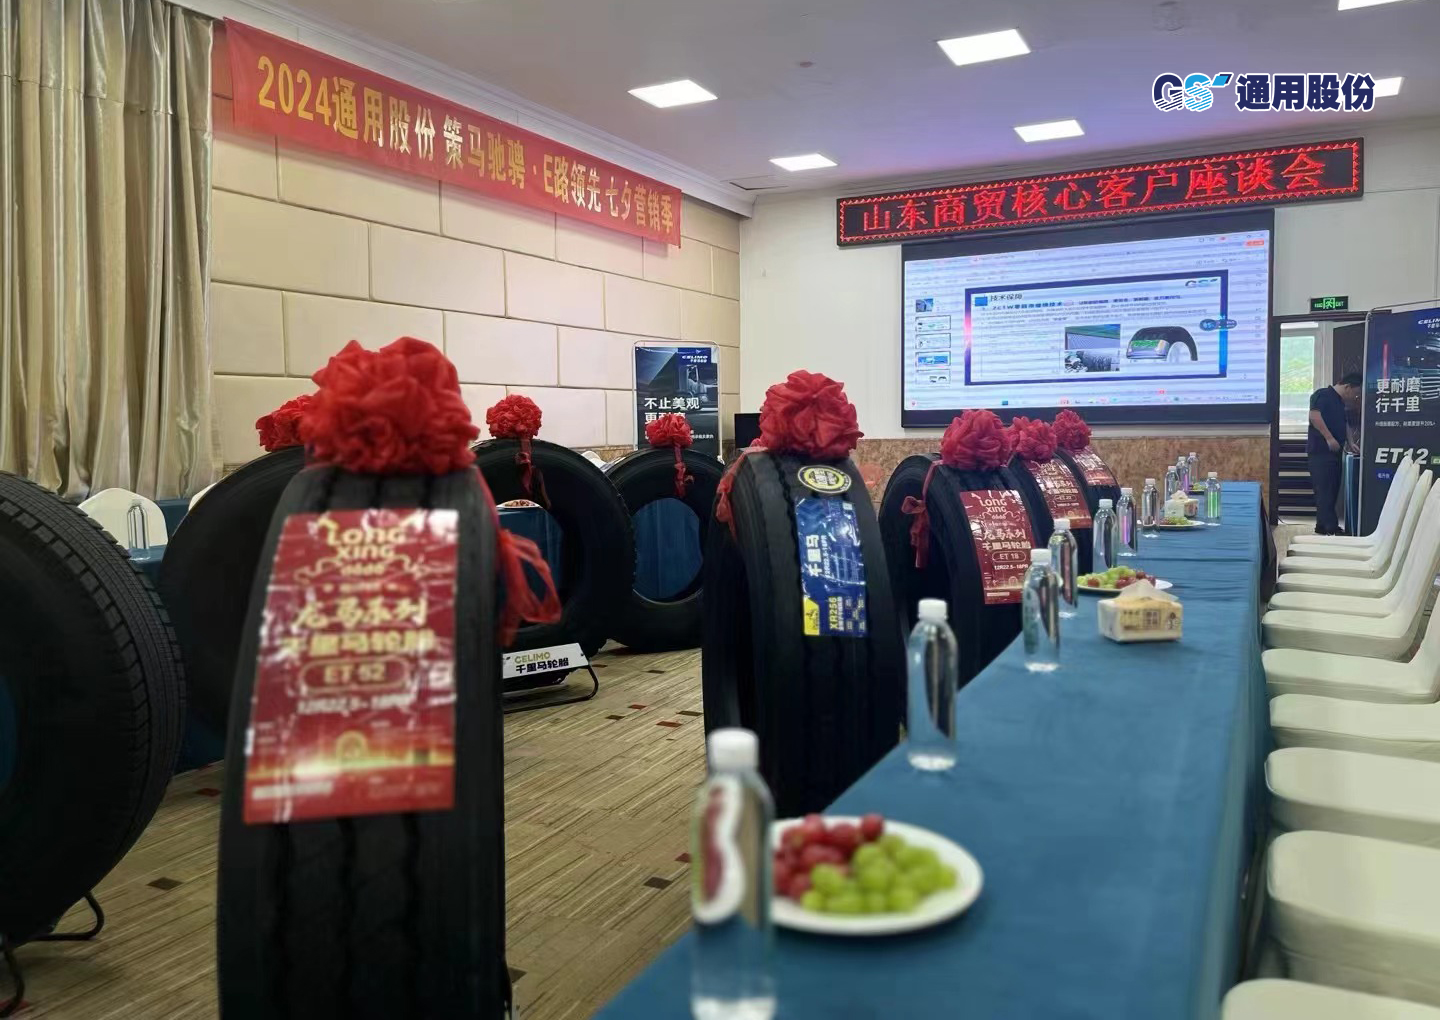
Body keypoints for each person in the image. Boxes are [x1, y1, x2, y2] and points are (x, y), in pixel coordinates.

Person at [1307, 372, 1363, 535]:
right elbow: (1314, 416)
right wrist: (1329, 438)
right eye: (1355, 393)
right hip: (1320, 452)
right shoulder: (1322, 395)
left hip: (1335, 453)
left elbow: (1345, 423)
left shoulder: (1340, 401)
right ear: (1348, 387)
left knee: (1332, 489)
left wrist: (1351, 442)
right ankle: (1331, 527)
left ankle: (1322, 526)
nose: (1355, 397)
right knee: (1324, 490)